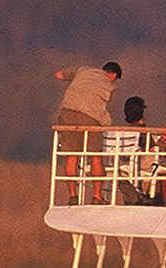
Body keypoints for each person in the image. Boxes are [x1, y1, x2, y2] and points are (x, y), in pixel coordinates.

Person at [52, 60, 121, 202]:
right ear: (113, 75)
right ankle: (97, 195)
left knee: (72, 155)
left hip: (66, 113)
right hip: (89, 118)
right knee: (95, 157)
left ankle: (72, 196)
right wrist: (107, 123)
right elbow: (102, 110)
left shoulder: (82, 69)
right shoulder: (109, 85)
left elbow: (59, 75)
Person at [103, 95, 153, 204]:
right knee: (152, 160)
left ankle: (133, 197)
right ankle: (139, 195)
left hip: (118, 164)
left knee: (119, 175)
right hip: (136, 165)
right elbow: (149, 146)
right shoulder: (141, 130)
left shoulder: (120, 132)